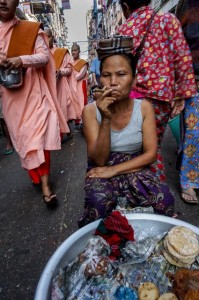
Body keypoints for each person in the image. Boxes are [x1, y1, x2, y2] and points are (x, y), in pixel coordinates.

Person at [78, 36, 175, 228]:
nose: (113, 82)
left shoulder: (144, 108)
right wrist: (105, 118)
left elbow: (150, 155)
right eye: (106, 75)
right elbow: (98, 161)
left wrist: (114, 170)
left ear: (134, 78)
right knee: (98, 206)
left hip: (134, 164)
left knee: (165, 201)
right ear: (99, 78)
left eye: (121, 74)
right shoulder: (90, 111)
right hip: (102, 167)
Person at [118, 0, 197, 182]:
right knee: (154, 145)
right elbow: (183, 58)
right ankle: (153, 191)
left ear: (125, 5)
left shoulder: (124, 30)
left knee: (141, 148)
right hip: (162, 98)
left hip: (134, 98)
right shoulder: (168, 20)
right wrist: (181, 95)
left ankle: (152, 192)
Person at [0, 0, 68, 205]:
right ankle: (36, 176)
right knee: (23, 140)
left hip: (34, 94)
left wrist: (21, 60)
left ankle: (46, 186)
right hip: (10, 98)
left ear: (17, 2)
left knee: (39, 137)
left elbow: (44, 57)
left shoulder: (30, 29)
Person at [175, 0, 199, 203]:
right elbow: (179, 47)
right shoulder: (188, 7)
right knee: (193, 132)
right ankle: (189, 181)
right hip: (194, 80)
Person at [45, 27, 75, 139]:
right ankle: (57, 135)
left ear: (52, 37)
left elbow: (69, 69)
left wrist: (60, 71)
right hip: (47, 86)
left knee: (61, 110)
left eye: (48, 36)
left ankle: (65, 132)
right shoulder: (40, 51)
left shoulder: (61, 52)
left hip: (60, 85)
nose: (46, 39)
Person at [70, 43, 88, 132]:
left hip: (80, 85)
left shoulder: (83, 63)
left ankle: (83, 122)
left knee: (81, 102)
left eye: (75, 50)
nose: (73, 52)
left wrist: (71, 78)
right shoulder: (70, 63)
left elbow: (81, 75)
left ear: (79, 52)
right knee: (74, 102)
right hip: (72, 86)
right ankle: (77, 121)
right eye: (72, 50)